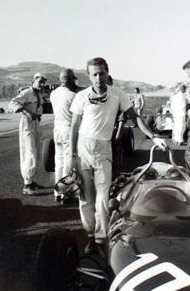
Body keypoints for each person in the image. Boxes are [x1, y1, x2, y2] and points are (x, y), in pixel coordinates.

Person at [65, 57, 166, 257]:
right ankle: (90, 236)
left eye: (102, 73)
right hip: (83, 147)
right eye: (94, 74)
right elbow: (74, 127)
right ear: (89, 76)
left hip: (104, 148)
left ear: (107, 73)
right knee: (86, 197)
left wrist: (154, 137)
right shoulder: (81, 96)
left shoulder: (117, 95)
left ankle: (101, 239)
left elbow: (135, 118)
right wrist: (70, 156)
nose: (98, 78)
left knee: (103, 196)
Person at [9, 73, 47, 195]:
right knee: (29, 153)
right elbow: (13, 103)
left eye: (43, 82)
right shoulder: (27, 93)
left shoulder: (39, 94)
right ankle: (27, 184)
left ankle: (30, 180)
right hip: (27, 125)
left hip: (36, 124)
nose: (42, 84)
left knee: (35, 153)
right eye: (40, 81)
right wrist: (26, 112)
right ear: (34, 81)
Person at [49, 69, 80, 202]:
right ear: (69, 79)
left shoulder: (53, 94)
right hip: (68, 129)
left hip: (57, 129)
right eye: (73, 79)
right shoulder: (73, 96)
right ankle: (66, 192)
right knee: (69, 162)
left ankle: (57, 192)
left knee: (59, 162)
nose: (74, 82)